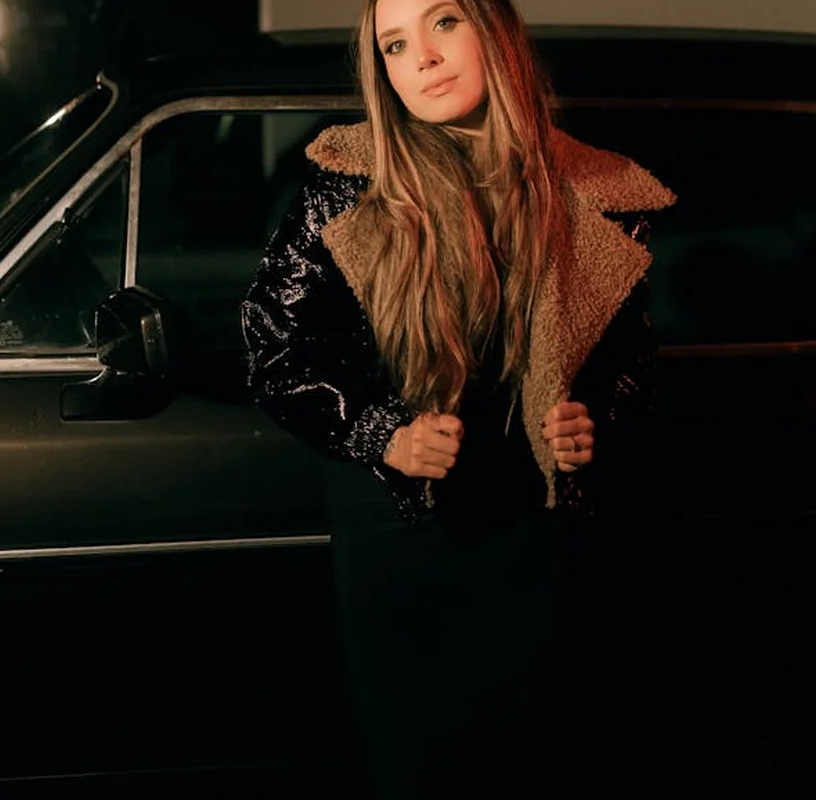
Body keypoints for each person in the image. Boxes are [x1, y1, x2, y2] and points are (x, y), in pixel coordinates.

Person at [241, 0, 675, 795]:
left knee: (532, 754)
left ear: (496, 30)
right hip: (403, 525)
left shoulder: (591, 187)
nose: (424, 59)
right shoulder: (347, 189)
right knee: (418, 761)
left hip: (537, 523)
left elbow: (632, 357)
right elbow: (278, 348)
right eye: (396, 44)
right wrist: (384, 434)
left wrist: (594, 418)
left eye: (444, 23)